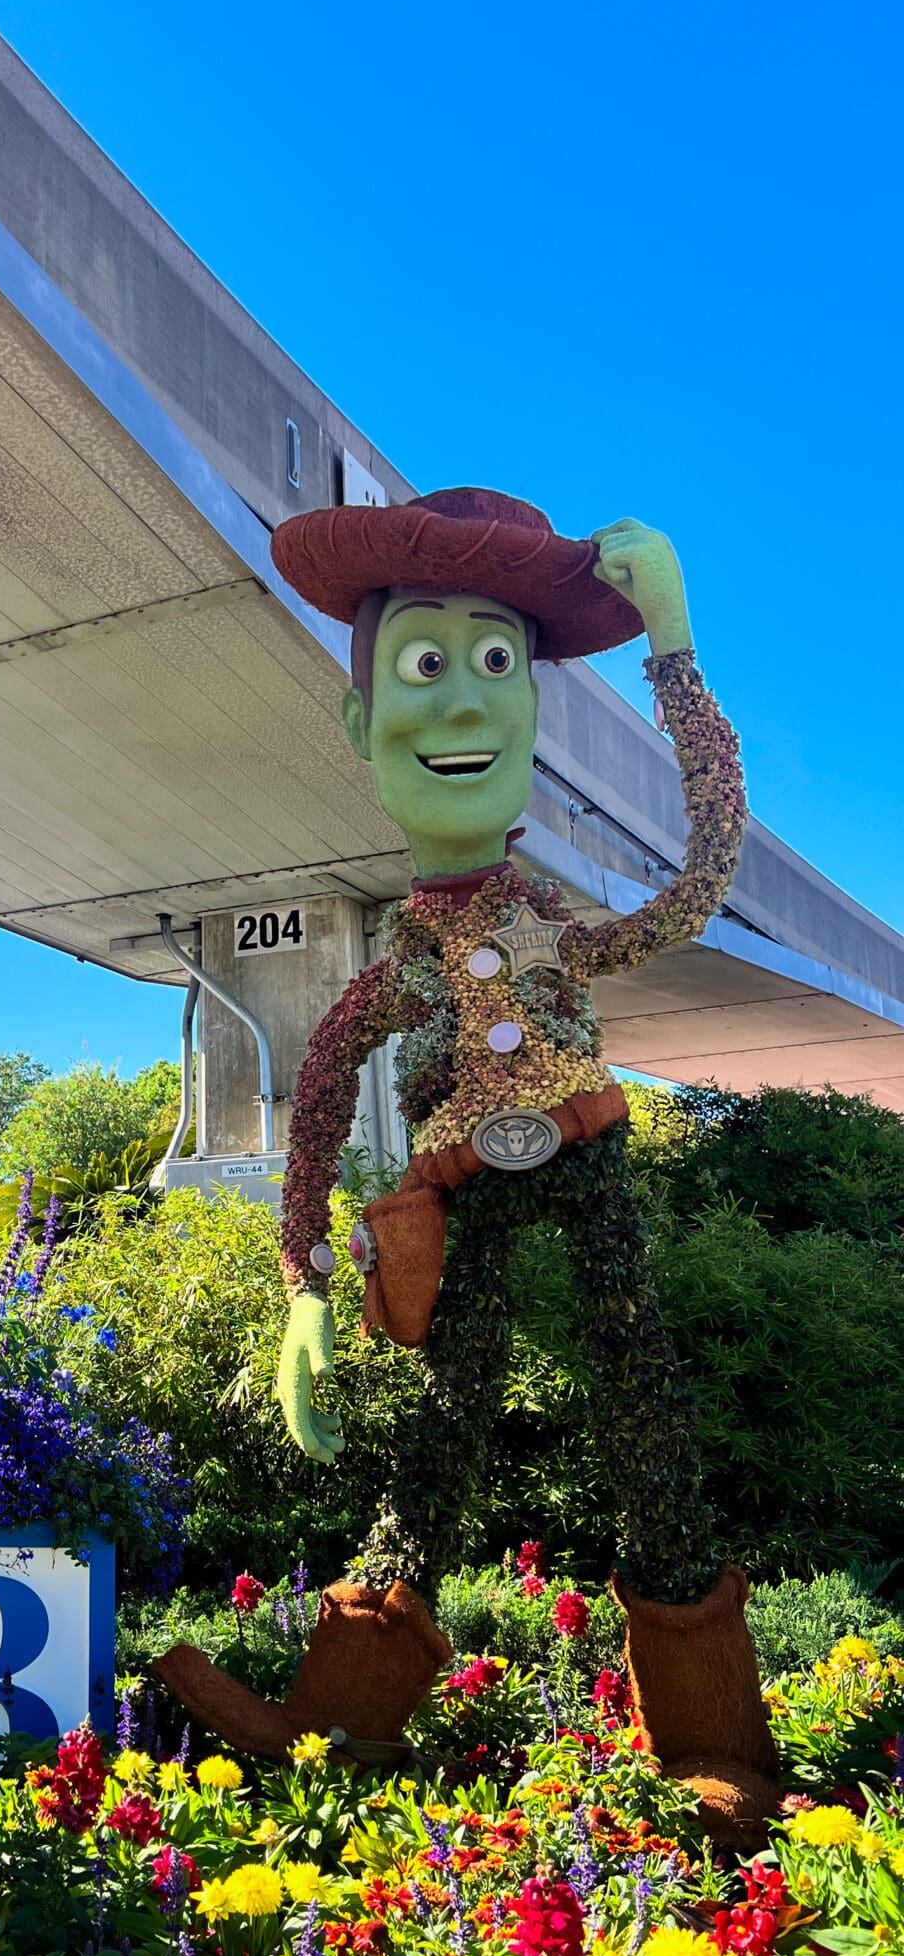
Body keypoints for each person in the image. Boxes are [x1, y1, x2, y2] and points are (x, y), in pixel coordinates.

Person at [155, 487, 779, 1839]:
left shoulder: (554, 930)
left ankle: (718, 1738)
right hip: (467, 1187)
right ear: (363, 721)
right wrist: (304, 1288)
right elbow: (315, 1102)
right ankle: (342, 1713)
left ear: (535, 711)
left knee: (641, 1404)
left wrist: (673, 647)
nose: (463, 705)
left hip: (588, 1153)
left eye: (497, 666)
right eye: (424, 667)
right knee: (444, 1428)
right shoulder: (394, 977)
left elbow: (699, 879)